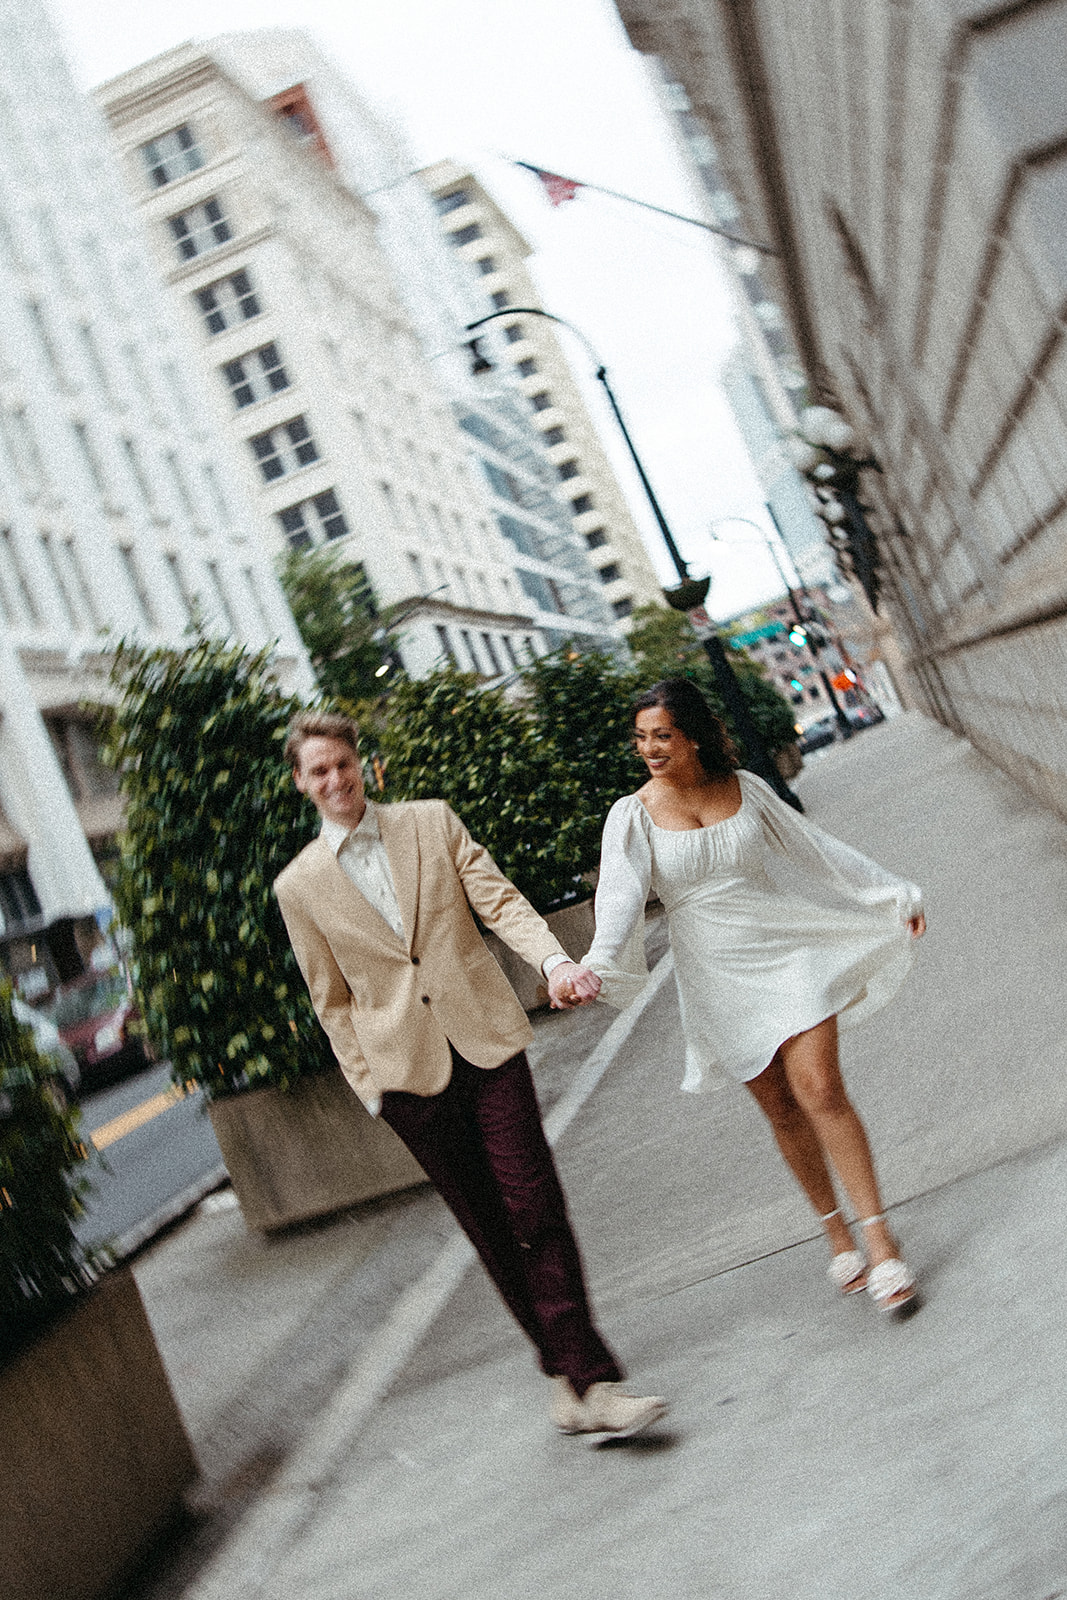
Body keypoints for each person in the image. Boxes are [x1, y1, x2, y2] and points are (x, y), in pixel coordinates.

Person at [274, 710, 667, 1442]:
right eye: (318, 770)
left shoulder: (429, 822)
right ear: (301, 782)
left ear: (363, 764)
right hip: (406, 1078)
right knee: (490, 1230)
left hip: (485, 1045)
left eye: (343, 763)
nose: (335, 779)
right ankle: (563, 1375)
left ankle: (591, 1379)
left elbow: (498, 900)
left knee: (533, 1203)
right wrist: (369, 1089)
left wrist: (553, 962)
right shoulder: (298, 887)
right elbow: (329, 1000)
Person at [583, 679, 927, 1317]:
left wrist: (891, 892)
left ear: (691, 734)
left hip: (788, 948)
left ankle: (879, 1238)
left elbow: (816, 851)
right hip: (716, 974)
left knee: (821, 1088)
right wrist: (597, 964)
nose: (650, 749)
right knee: (782, 1111)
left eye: (662, 735)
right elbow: (621, 899)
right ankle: (833, 1229)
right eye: (640, 738)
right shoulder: (630, 814)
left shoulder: (747, 788)